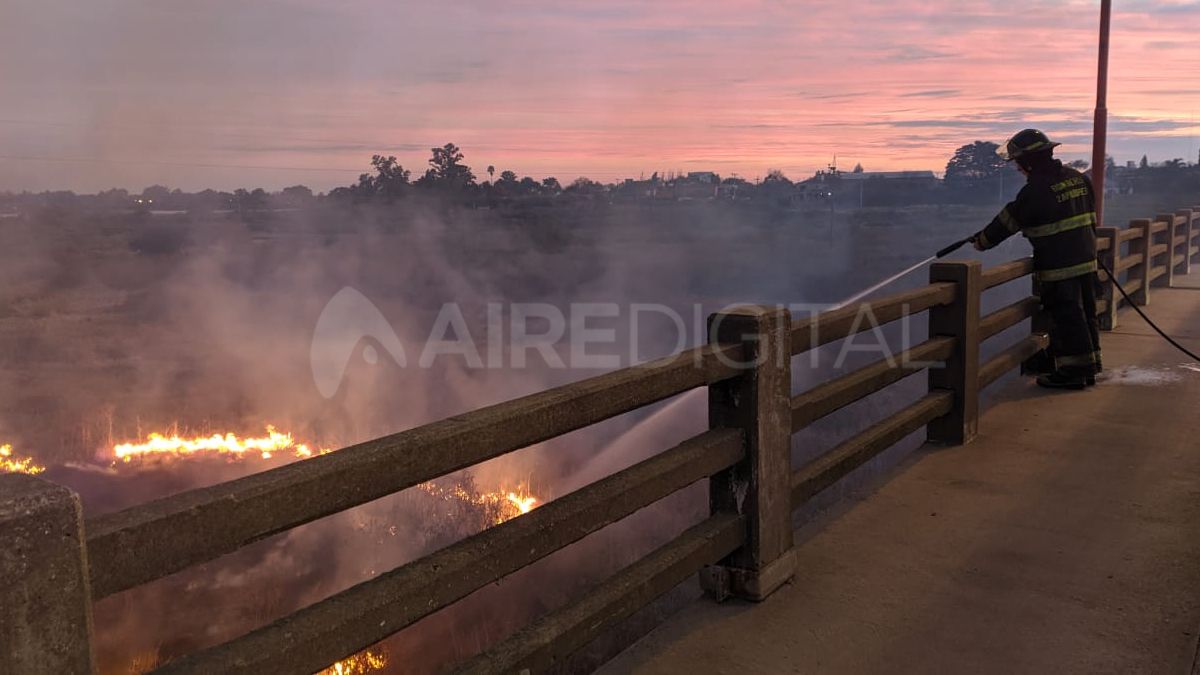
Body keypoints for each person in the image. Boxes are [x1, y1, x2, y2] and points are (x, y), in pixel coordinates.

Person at [972, 129, 1101, 390]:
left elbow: (1009, 220)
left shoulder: (1037, 190)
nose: (1018, 169)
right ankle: (1089, 367)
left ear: (1028, 161)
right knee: (1085, 315)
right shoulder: (1077, 179)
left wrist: (981, 241)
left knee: (1067, 319)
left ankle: (1074, 372)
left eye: (1018, 163)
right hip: (1086, 260)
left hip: (1059, 266)